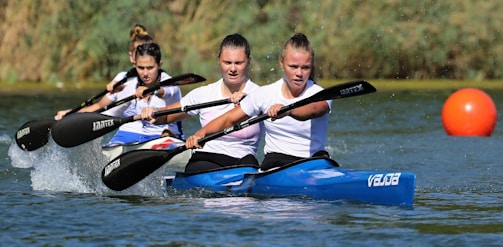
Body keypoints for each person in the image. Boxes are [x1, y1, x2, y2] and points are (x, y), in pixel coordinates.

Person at [184, 33, 332, 171]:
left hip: (312, 161)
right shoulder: (264, 94)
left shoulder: (319, 93)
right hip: (276, 163)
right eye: (293, 66)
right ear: (281, 63)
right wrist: (201, 133)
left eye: (305, 68)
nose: (299, 73)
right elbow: (229, 119)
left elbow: (314, 110)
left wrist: (288, 110)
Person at [141, 33, 262, 172]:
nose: (232, 69)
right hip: (206, 158)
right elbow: (167, 116)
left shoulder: (259, 95)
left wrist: (252, 102)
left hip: (243, 160)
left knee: (249, 164)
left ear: (249, 61)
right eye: (227, 62)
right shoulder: (204, 94)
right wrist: (153, 113)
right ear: (219, 60)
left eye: (238, 63)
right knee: (197, 168)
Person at [60, 42, 184, 145]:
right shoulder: (129, 84)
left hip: (166, 135)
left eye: (150, 68)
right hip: (138, 135)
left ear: (159, 65)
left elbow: (166, 91)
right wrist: (72, 116)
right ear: (135, 65)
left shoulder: (169, 82)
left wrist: (152, 90)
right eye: (141, 68)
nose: (145, 73)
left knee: (165, 135)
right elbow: (107, 113)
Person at [54, 24, 155, 119]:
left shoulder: (160, 78)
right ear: (131, 56)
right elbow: (99, 106)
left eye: (148, 53)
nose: (143, 57)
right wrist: (71, 114)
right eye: (139, 53)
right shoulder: (121, 78)